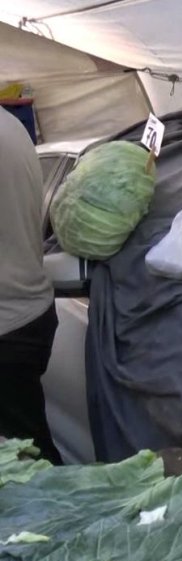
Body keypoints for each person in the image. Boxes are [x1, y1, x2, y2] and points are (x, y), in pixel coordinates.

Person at [0, 108, 60, 463]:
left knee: (28, 463)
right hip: (28, 312)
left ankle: (69, 517)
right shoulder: (9, 123)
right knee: (28, 449)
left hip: (6, 324)